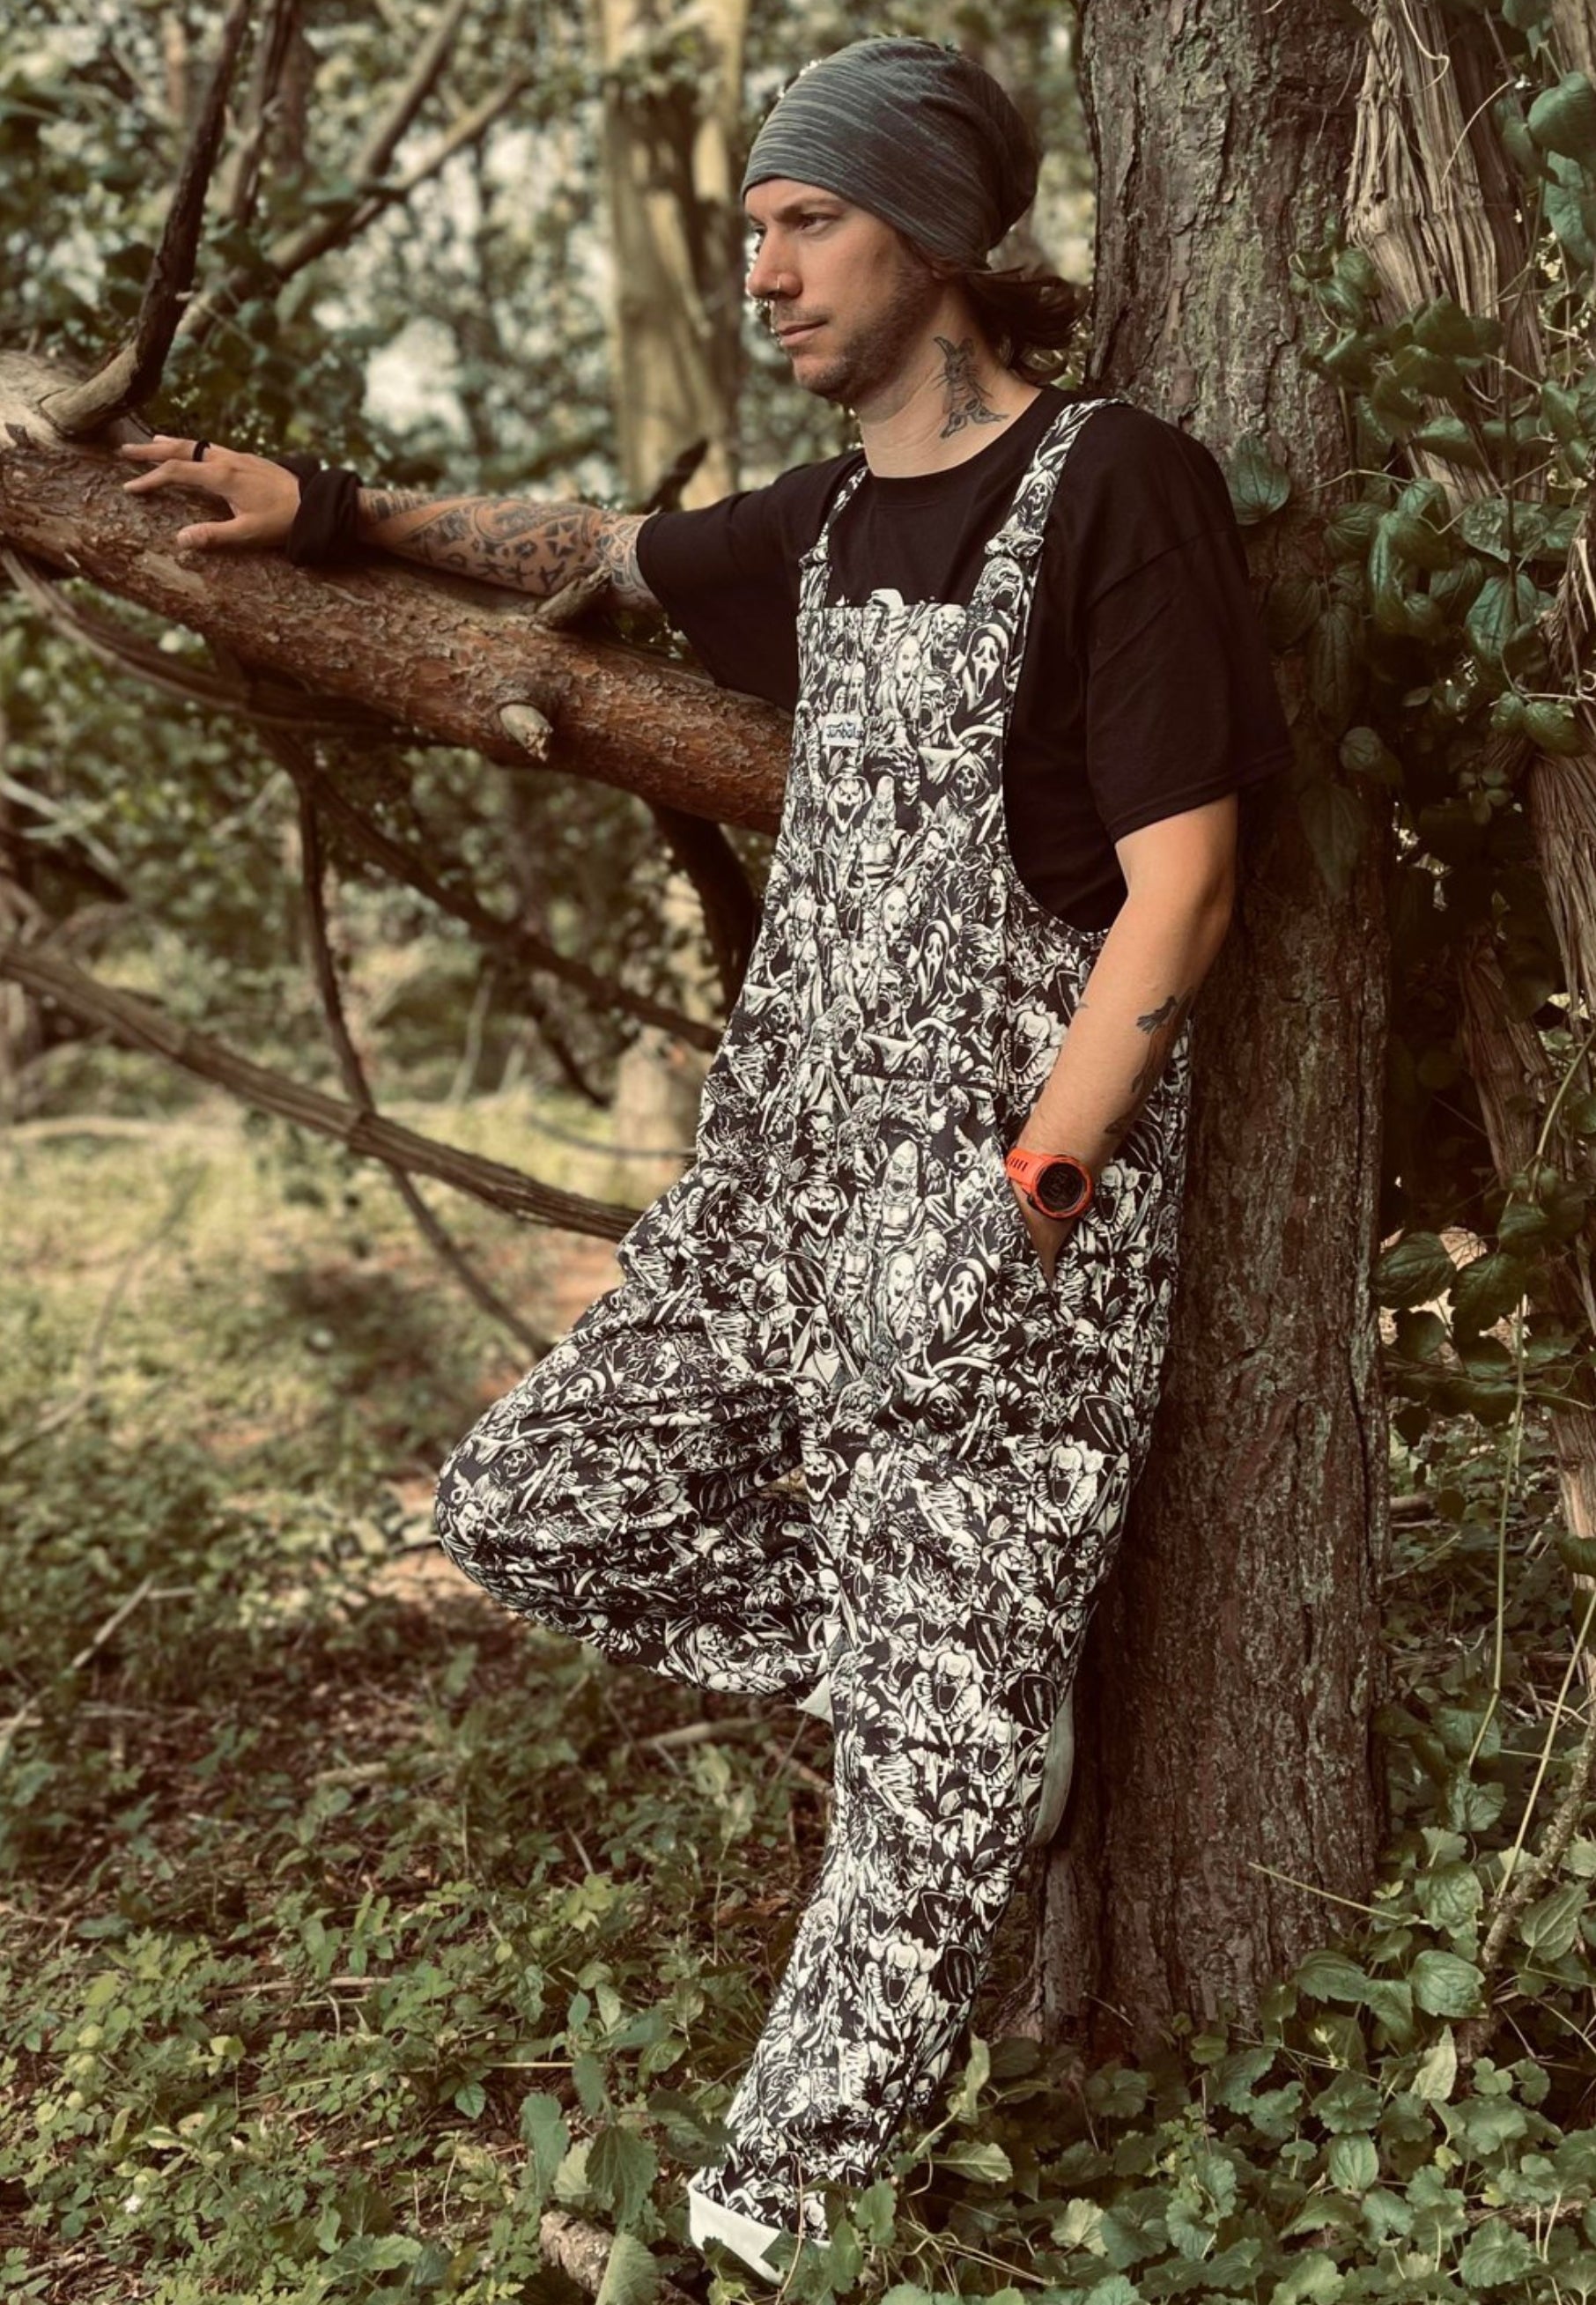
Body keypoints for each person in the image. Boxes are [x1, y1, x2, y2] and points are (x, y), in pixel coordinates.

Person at [120, 34, 1291, 2280]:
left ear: (937, 239)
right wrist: (333, 505)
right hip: (775, 1207)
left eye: (804, 221)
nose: (759, 267)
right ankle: (947, 1708)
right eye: (748, 225)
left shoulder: (1116, 488)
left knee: (925, 1807)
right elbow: (604, 552)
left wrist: (1020, 1200)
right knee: (529, 1502)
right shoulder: (835, 520)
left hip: (992, 1237)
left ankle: (756, 2227)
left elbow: (1188, 891)